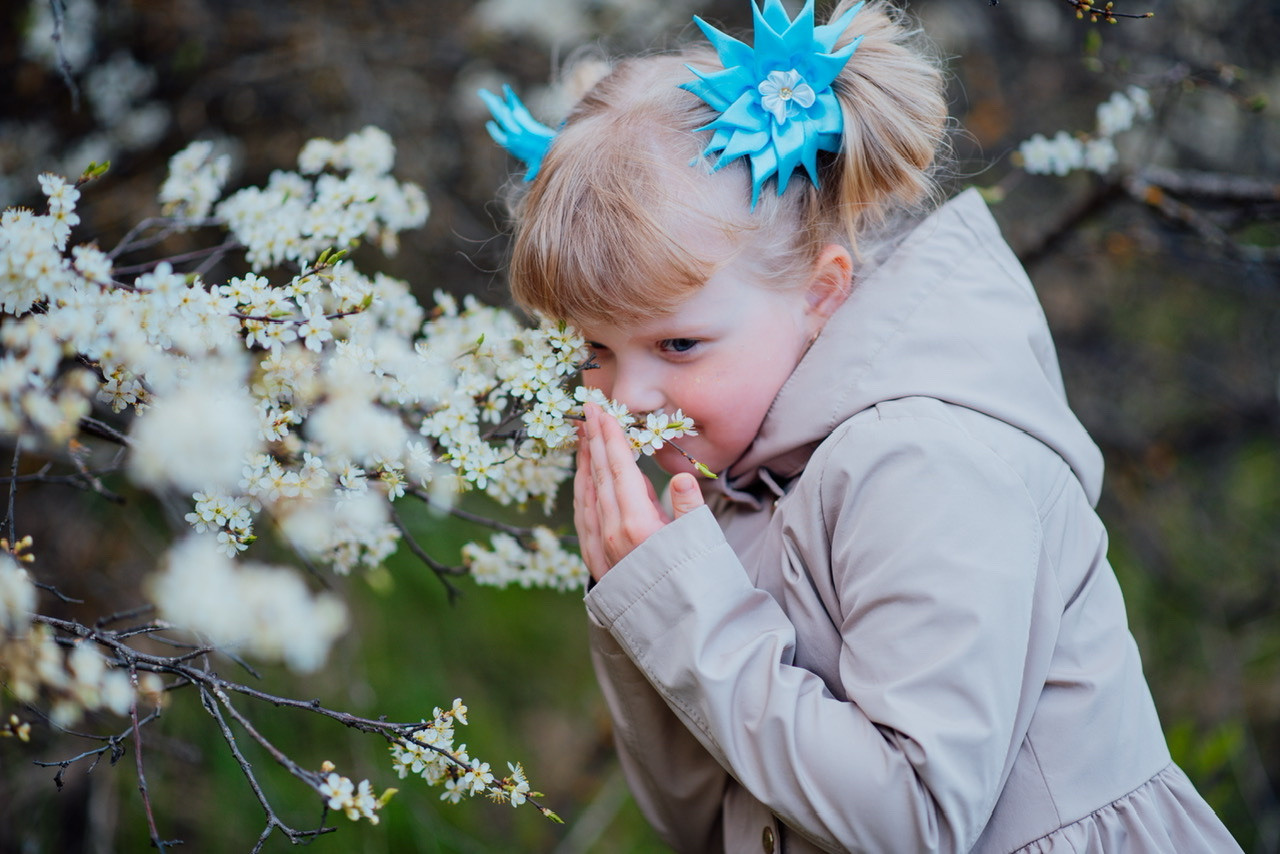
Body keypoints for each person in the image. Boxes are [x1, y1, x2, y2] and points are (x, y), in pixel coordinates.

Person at [482, 1, 1245, 850]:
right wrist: (646, 593)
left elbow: (915, 824)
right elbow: (704, 820)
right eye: (596, 348)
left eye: (679, 343)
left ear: (820, 292)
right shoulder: (739, 487)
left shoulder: (920, 460)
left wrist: (683, 612)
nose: (634, 394)